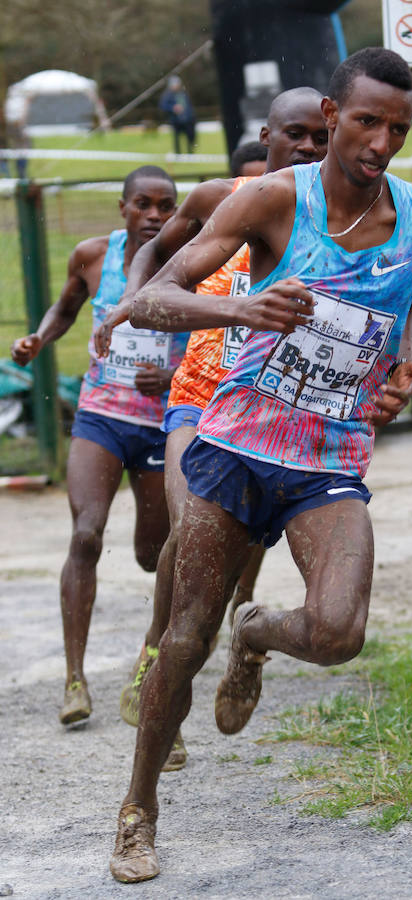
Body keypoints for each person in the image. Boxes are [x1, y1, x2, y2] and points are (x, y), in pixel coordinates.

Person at [108, 47, 412, 883]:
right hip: (233, 447)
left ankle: (256, 630)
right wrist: (239, 305)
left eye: (398, 129)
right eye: (367, 121)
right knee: (182, 641)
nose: (381, 143)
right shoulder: (268, 199)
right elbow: (144, 301)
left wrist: (402, 371)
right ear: (333, 117)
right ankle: (137, 811)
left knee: (337, 635)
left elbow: (408, 305)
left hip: (326, 457)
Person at [97, 88, 329, 771]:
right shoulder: (213, 201)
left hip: (276, 414)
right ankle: (156, 662)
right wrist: (127, 300)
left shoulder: (331, 218)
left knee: (232, 561)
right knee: (185, 535)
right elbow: (159, 264)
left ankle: (238, 643)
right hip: (198, 399)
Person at [10, 167, 188, 727]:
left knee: (152, 555)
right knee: (86, 534)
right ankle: (75, 679)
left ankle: (147, 661)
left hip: (163, 426)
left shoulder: (193, 261)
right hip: (101, 417)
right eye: (144, 204)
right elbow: (65, 309)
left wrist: (177, 374)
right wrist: (39, 337)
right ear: (123, 208)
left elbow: (219, 336)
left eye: (166, 205)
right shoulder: (92, 256)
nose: (155, 215)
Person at [159, 75, 196, 155]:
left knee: (190, 136)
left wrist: (191, 115)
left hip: (187, 119)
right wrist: (173, 108)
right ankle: (178, 153)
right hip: (176, 120)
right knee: (176, 138)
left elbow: (188, 105)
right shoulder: (167, 94)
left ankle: (190, 152)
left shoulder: (183, 92)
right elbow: (163, 106)